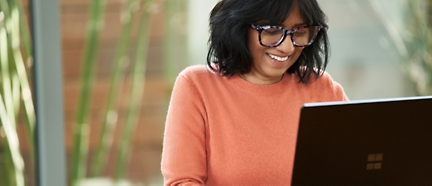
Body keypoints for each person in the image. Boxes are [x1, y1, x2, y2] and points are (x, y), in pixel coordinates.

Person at [161, 0, 349, 185]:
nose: (287, 47)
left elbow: (357, 167)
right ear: (238, 28)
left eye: (299, 32)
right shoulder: (197, 86)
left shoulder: (322, 87)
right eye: (272, 31)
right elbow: (183, 181)